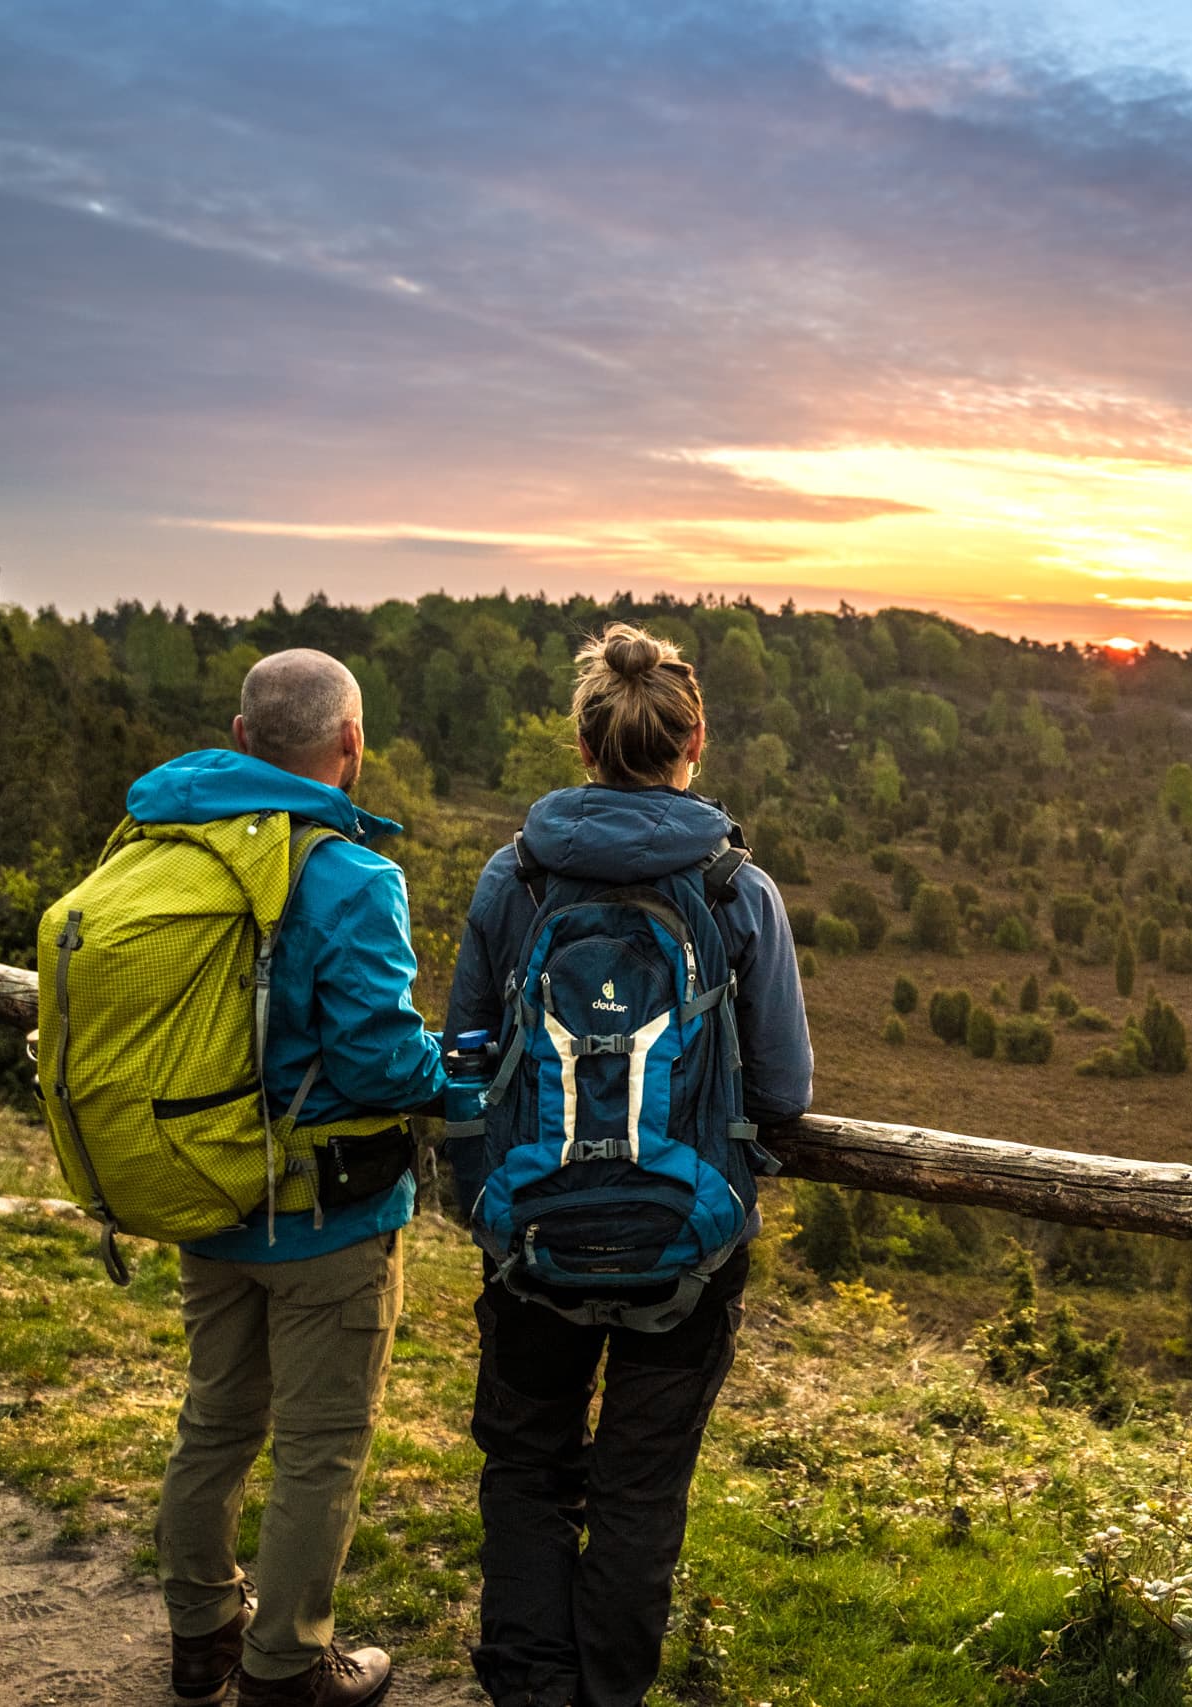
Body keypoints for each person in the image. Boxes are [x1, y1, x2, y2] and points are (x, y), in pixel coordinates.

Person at [446, 623, 812, 1707]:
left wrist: (482, 1194)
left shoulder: (513, 878)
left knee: (525, 1468)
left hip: (535, 1236)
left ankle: (529, 1688)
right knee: (639, 1489)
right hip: (684, 1252)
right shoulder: (739, 889)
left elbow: (466, 1054)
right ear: (694, 739)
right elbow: (784, 1094)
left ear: (584, 743)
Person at [150, 650, 446, 1707]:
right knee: (320, 1449)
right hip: (329, 1218)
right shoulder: (349, 873)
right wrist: (445, 1078)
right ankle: (285, 1669)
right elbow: (376, 1059)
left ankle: (200, 1636)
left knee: (215, 1423)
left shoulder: (167, 847)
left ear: (240, 736)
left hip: (201, 1190)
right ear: (352, 744)